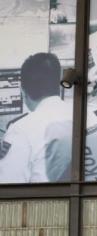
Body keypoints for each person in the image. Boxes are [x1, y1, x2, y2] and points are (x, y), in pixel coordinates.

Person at [0, 52, 72, 184]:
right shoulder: (85, 116)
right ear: (59, 86)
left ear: (23, 91)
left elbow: (7, 187)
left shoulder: (20, 130)